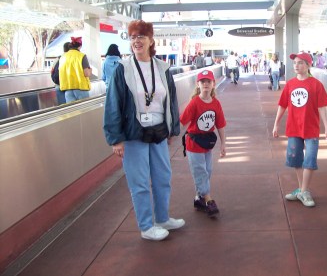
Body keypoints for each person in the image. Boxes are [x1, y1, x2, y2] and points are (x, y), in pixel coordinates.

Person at [103, 19, 184, 241]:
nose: (136, 41)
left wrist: (171, 129)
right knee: (139, 182)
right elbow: (113, 103)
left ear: (151, 40)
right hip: (133, 132)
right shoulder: (123, 70)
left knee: (162, 177)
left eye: (141, 36)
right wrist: (115, 138)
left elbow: (171, 100)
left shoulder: (162, 68)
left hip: (158, 131)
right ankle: (146, 226)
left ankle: (162, 218)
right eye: (132, 37)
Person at [273, 52, 327, 207]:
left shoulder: (316, 85)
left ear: (308, 65)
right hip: (293, 128)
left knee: (310, 160)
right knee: (296, 159)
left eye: (300, 63)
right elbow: (282, 105)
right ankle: (302, 190)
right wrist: (276, 124)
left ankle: (303, 191)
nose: (296, 66)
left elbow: (322, 107)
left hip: (311, 129)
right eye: (295, 63)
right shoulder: (290, 84)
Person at [180, 70, 226, 217]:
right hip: (194, 144)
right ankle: (208, 199)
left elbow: (220, 124)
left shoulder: (216, 103)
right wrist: (168, 134)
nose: (206, 84)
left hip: (207, 142)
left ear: (214, 84)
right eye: (202, 82)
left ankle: (198, 198)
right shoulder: (194, 103)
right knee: (200, 171)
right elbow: (182, 121)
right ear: (198, 84)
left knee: (208, 171)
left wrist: (223, 144)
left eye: (208, 82)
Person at [59, 37, 92, 103]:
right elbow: (87, 73)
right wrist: (90, 70)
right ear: (80, 46)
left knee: (73, 112)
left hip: (68, 88)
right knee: (84, 110)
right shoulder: (81, 56)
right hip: (81, 88)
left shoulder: (63, 57)